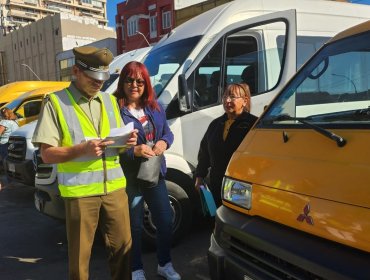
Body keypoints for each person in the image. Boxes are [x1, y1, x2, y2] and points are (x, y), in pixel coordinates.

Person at [32, 46, 138, 280]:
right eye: (93, 78)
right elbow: (47, 154)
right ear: (76, 71)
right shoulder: (56, 102)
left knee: (123, 250)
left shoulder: (110, 101)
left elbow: (114, 145)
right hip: (80, 194)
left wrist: (126, 142)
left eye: (103, 78)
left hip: (115, 190)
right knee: (80, 259)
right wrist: (82, 149)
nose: (99, 83)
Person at [114, 61, 180, 280]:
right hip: (130, 177)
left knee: (164, 220)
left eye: (140, 80)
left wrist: (163, 143)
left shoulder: (155, 106)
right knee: (134, 227)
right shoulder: (115, 110)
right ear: (123, 82)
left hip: (154, 173)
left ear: (146, 84)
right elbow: (111, 147)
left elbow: (168, 133)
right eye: (130, 80)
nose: (135, 84)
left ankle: (164, 263)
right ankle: (136, 269)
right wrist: (135, 151)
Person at [194, 83, 258, 207]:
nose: (227, 100)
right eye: (225, 96)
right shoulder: (215, 124)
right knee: (217, 216)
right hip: (216, 182)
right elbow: (204, 153)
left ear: (244, 101)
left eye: (232, 97)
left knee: (236, 219)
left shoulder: (253, 125)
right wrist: (199, 176)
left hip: (240, 184)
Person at [0, 107, 19, 189]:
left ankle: (6, 183)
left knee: (5, 164)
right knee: (11, 163)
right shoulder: (15, 122)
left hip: (4, 145)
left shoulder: (4, 122)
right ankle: (14, 182)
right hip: (13, 146)